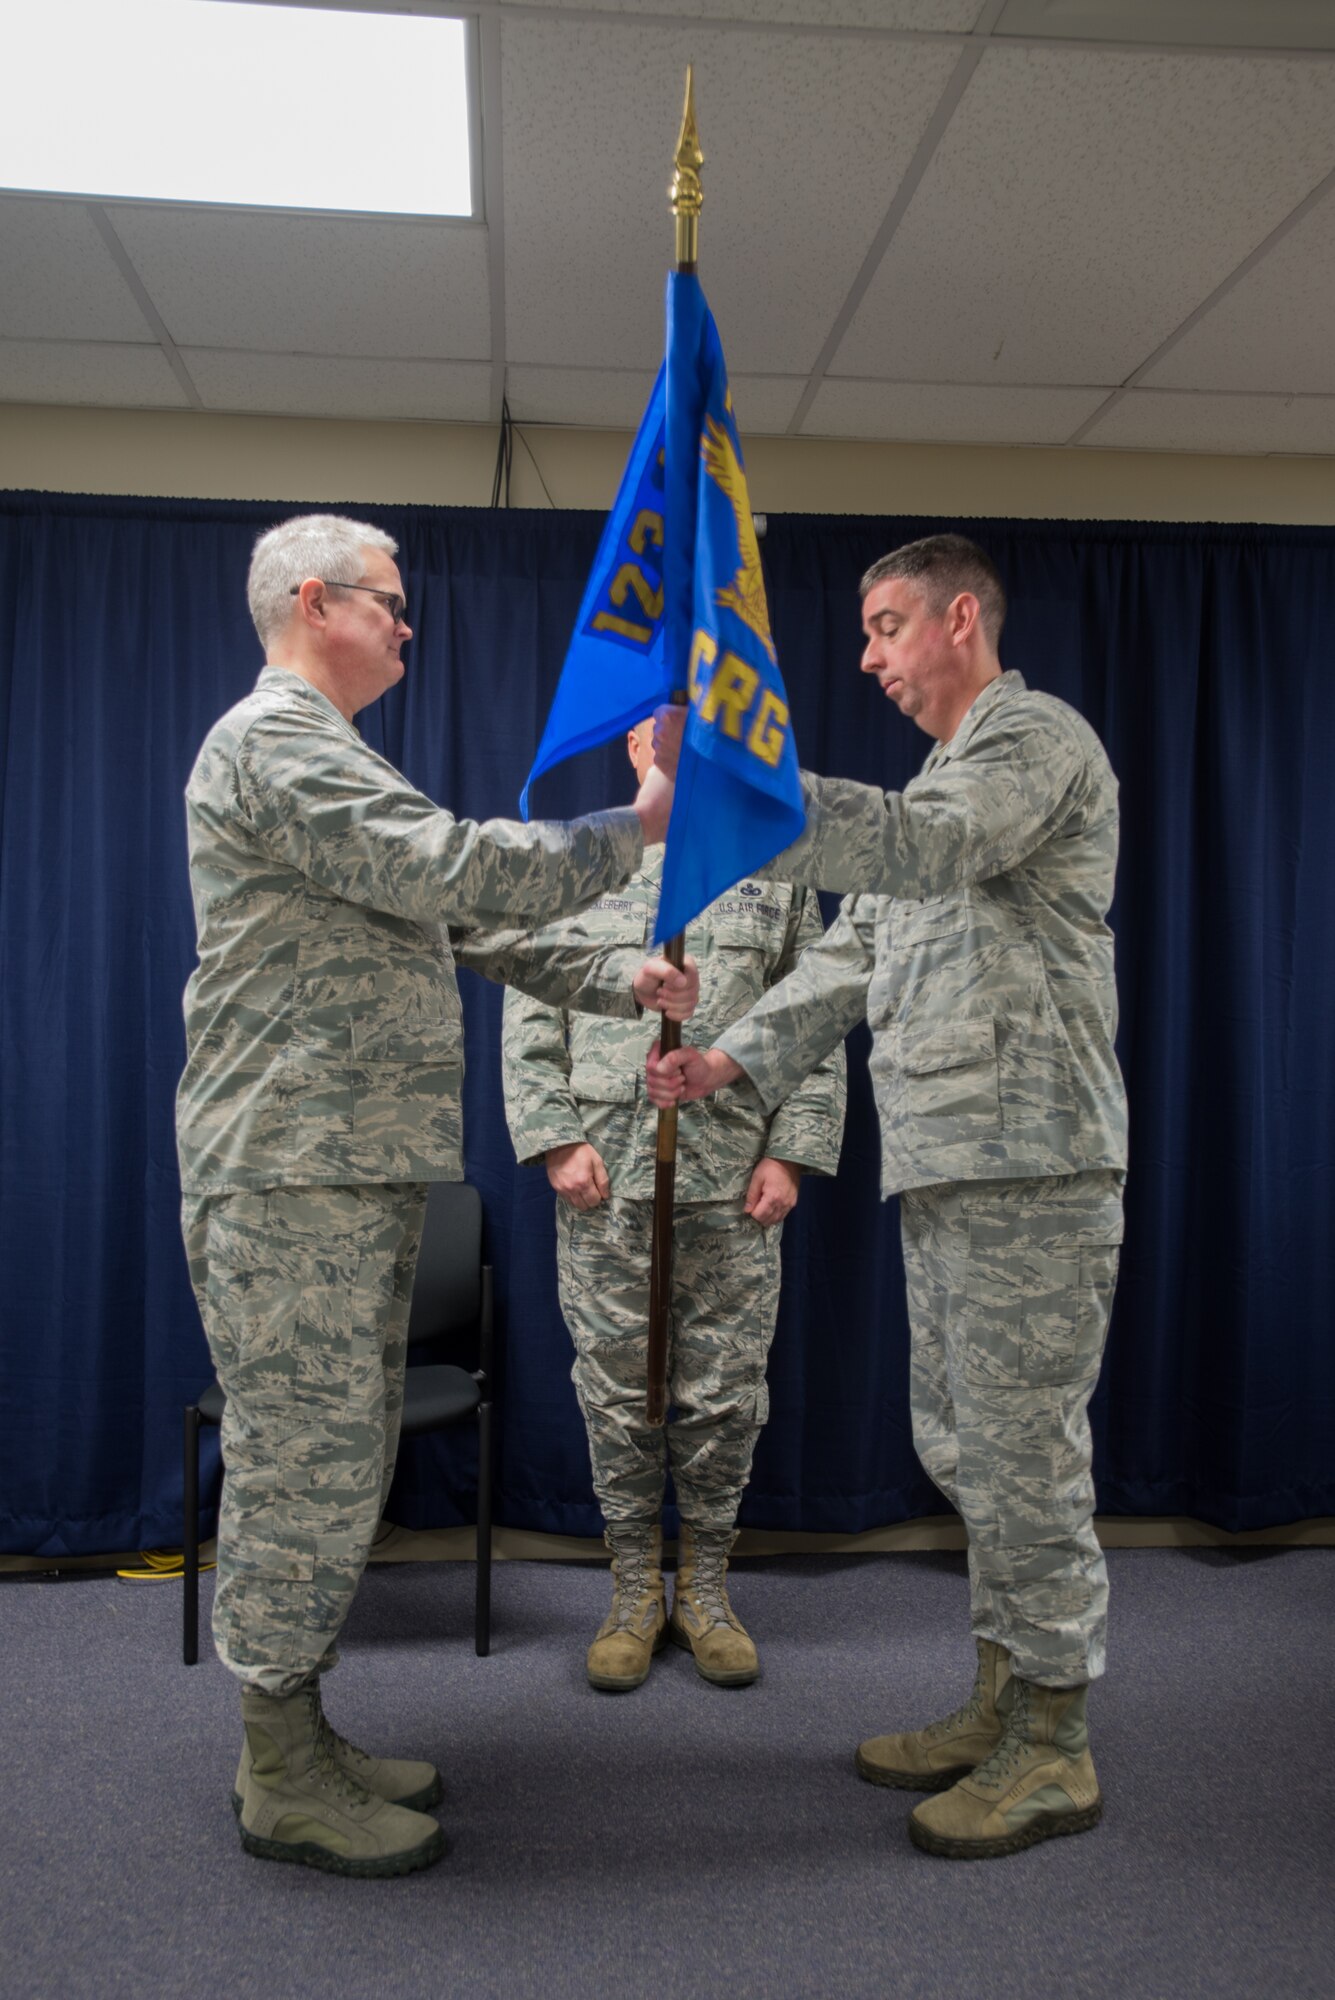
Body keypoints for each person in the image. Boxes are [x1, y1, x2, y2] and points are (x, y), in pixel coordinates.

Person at [178, 514, 694, 1878]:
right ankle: (277, 1768)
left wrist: (613, 979)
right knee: (304, 1460)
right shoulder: (272, 738)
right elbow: (456, 868)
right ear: (310, 601)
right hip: (291, 1162)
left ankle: (298, 1726)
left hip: (340, 1161)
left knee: (338, 1457)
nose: (408, 625)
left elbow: (461, 926)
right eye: (388, 603)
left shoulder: (333, 755)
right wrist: (631, 828)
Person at [648, 533, 1127, 1859]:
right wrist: (731, 1053)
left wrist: (738, 787)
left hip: (1026, 1155)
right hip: (957, 1159)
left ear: (957, 617)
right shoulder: (940, 775)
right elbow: (856, 948)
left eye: (881, 628)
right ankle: (1000, 1698)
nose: (864, 658)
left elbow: (925, 848)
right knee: (969, 1448)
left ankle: (1052, 1747)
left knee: (1023, 1457)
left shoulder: (1028, 748)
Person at [501, 715, 846, 1693]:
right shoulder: (575, 864)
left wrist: (794, 1149)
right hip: (605, 1180)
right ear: (633, 747)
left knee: (724, 1397)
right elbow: (529, 1014)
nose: (680, 747)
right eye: (661, 730)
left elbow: (814, 1020)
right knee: (617, 1397)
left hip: (736, 1186)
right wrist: (557, 1136)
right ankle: (629, 1590)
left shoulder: (772, 867)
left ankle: (705, 1589)